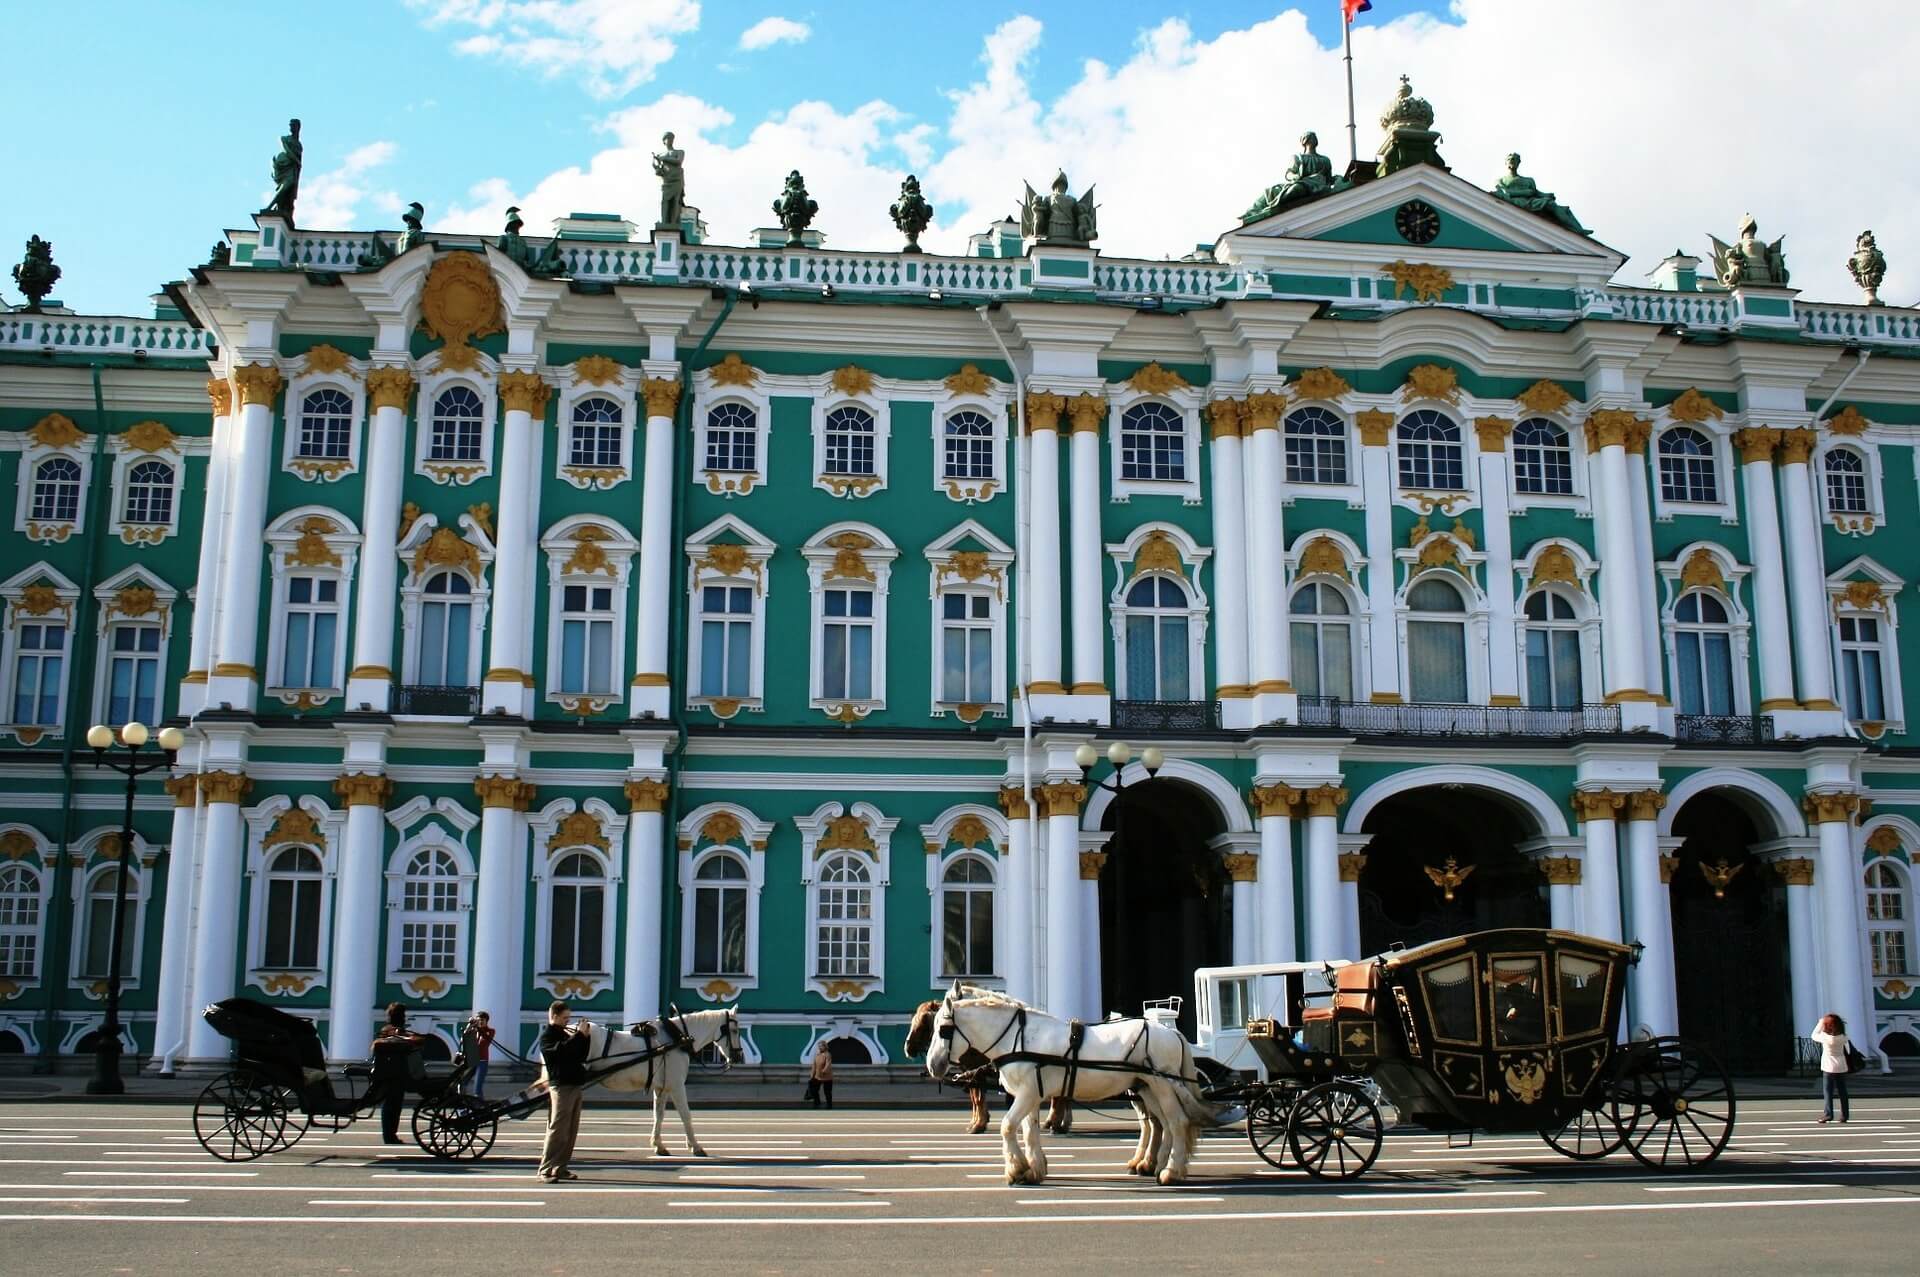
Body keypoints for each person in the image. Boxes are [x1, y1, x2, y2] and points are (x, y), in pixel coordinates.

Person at [537, 1001, 591, 1181]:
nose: (568, 1021)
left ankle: (560, 1167)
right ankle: (545, 1169)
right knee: (558, 1129)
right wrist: (578, 1037)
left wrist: (584, 1036)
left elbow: (579, 1055)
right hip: (561, 1086)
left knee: (570, 1130)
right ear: (554, 1016)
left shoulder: (565, 1034)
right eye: (564, 1018)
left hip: (574, 1084)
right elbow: (561, 1053)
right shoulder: (547, 1036)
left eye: (569, 1018)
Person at [369, 1002, 425, 1146]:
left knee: (392, 1105)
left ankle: (390, 1135)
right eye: (403, 1015)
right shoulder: (393, 1031)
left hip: (393, 1074)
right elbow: (403, 1041)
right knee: (392, 1106)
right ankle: (389, 1135)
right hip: (394, 1074)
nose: (405, 1018)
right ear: (400, 1016)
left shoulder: (390, 1030)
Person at [1811, 1012, 1851, 1124]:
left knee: (1828, 1092)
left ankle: (1828, 1115)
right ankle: (1844, 1115)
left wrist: (1820, 1023)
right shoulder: (1843, 1037)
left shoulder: (1825, 1037)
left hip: (1829, 1067)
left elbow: (1813, 1035)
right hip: (1841, 1066)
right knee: (1843, 1092)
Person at [460, 1011, 497, 1097]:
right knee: (462, 1082)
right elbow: (463, 1039)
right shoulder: (473, 1030)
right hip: (472, 1060)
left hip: (482, 1061)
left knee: (477, 1087)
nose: (480, 1022)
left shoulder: (490, 1031)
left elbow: (484, 1041)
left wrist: (477, 1029)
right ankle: (462, 1101)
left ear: (486, 1021)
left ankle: (479, 1105)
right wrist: (469, 1025)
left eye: (482, 1020)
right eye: (478, 1020)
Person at [809, 1043, 835, 1110]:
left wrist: (823, 1071)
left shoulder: (827, 1055)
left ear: (825, 1047)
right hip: (817, 1076)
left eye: (821, 1046)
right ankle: (817, 1103)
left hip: (827, 1077)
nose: (820, 1048)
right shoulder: (817, 1055)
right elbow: (814, 1066)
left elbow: (828, 1064)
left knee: (827, 1092)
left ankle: (829, 1105)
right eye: (819, 1046)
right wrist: (812, 1075)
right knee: (814, 1090)